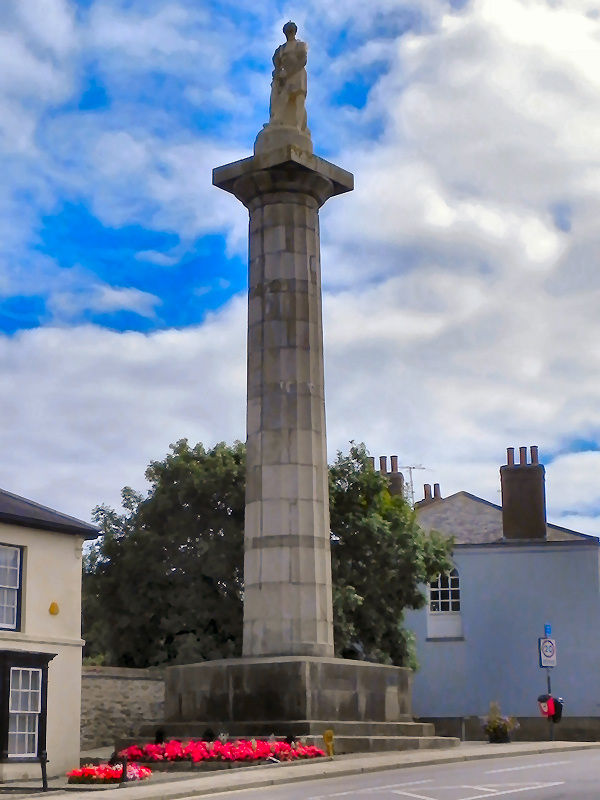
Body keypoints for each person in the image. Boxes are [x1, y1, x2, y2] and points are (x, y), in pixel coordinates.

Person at [269, 21, 308, 132]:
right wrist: (278, 74)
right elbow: (276, 63)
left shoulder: (300, 45)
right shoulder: (281, 49)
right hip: (285, 77)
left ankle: (299, 126)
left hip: (298, 74)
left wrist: (288, 72)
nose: (289, 33)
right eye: (287, 31)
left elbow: (303, 61)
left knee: (299, 100)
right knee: (282, 98)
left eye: (291, 31)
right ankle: (276, 120)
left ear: (295, 32)